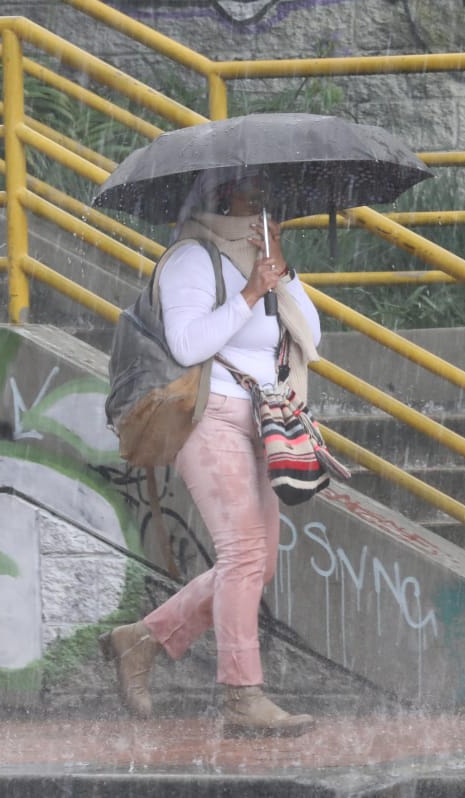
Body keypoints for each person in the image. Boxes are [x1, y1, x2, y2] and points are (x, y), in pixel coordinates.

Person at [98, 166, 321, 738]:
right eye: (253, 198)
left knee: (256, 562)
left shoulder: (262, 264)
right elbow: (188, 343)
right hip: (207, 415)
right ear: (222, 201)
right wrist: (250, 292)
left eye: (267, 202)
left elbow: (310, 338)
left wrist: (282, 274)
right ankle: (241, 696)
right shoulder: (190, 259)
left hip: (262, 419)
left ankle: (141, 640)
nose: (264, 210)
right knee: (243, 551)